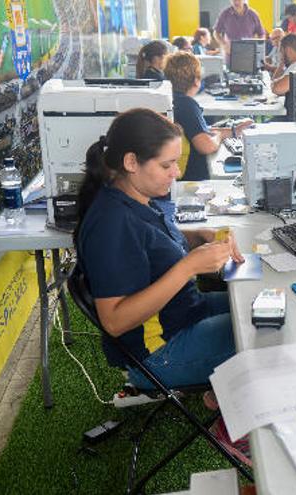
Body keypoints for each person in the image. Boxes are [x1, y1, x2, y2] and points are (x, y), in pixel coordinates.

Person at [73, 108, 245, 392]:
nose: (176, 173)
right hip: (159, 352)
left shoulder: (134, 196)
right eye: (167, 166)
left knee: (265, 308)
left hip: (185, 313)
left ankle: (223, 394)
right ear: (131, 162)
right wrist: (188, 267)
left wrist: (199, 237)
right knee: (270, 333)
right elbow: (114, 321)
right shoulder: (111, 225)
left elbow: (153, 245)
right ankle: (229, 423)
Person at [164, 52, 253, 181]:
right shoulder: (186, 105)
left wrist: (233, 131)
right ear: (196, 81)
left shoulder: (171, 99)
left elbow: (198, 131)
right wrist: (220, 135)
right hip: (192, 179)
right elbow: (206, 146)